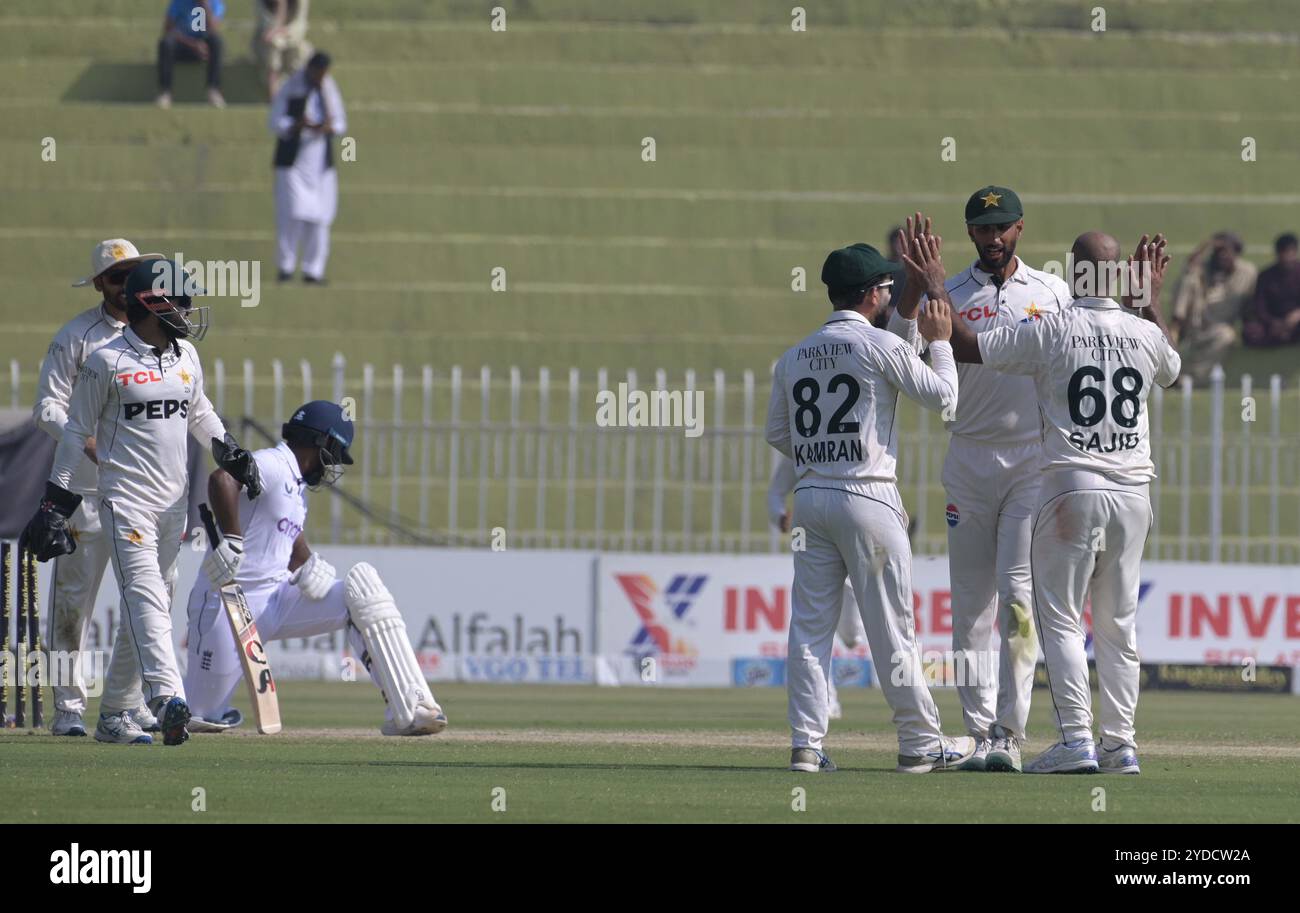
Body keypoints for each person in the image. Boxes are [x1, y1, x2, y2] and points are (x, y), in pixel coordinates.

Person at [927, 228, 1179, 775]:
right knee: (1119, 626)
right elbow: (1174, 370)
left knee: (1061, 619)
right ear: (1122, 277)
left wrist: (934, 292)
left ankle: (1076, 741)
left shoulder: (1052, 327)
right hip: (1134, 493)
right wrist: (1149, 299)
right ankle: (1121, 745)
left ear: (1074, 271)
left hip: (1070, 487)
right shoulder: (1142, 331)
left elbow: (969, 347)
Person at [23, 259, 262, 746]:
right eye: (181, 300)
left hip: (172, 504)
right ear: (151, 302)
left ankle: (113, 714)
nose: (189, 310)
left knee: (153, 602)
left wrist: (231, 451)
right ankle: (167, 699)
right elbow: (74, 434)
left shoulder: (187, 357)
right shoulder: (105, 361)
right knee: (145, 595)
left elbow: (201, 414)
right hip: (123, 499)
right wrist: (55, 503)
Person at [765, 241, 976, 774]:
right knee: (892, 629)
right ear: (870, 295)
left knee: (809, 629)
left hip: (811, 497)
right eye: (885, 289)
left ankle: (806, 745)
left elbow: (776, 434)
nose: (889, 296)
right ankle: (920, 743)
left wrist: (823, 455)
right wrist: (942, 341)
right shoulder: (877, 345)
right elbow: (946, 398)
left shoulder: (794, 355)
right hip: (869, 494)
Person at [887, 189, 1072, 773]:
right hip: (967, 457)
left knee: (1018, 595)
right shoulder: (953, 290)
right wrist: (916, 289)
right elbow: (898, 354)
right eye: (981, 229)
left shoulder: (1052, 292)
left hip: (1031, 461)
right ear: (969, 233)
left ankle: (1008, 733)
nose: (992, 239)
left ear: (1020, 227)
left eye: (1001, 228)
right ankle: (977, 731)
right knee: (970, 605)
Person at [184, 401, 448, 736]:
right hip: (229, 603)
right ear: (321, 443)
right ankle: (149, 697)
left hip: (278, 599)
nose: (333, 465)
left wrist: (306, 561)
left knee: (361, 590)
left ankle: (413, 708)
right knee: (202, 715)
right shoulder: (274, 464)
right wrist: (232, 540)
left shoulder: (298, 489)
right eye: (334, 454)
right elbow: (222, 478)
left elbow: (283, 532)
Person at [33, 240, 166, 737]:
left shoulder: (158, 333)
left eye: (132, 275)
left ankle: (129, 706)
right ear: (99, 285)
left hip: (140, 497)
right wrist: (88, 442)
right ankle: (68, 709)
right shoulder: (76, 336)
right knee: (72, 603)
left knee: (148, 601)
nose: (125, 284)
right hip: (87, 497)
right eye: (115, 277)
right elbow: (47, 408)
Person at [767, 453, 868, 723]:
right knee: (816, 626)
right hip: (815, 544)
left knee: (852, 637)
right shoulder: (801, 448)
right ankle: (825, 702)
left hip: (856, 541)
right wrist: (780, 518)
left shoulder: (856, 443)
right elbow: (775, 493)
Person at [270, 51, 346, 284]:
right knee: (291, 215)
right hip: (292, 162)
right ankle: (285, 268)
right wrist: (297, 125)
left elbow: (341, 122)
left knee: (320, 218)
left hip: (320, 163)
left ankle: (313, 271)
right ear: (309, 69)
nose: (319, 77)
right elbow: (274, 121)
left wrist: (326, 128)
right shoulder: (291, 85)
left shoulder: (328, 87)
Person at [1169, 231, 1256, 383]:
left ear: (1236, 253)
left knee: (1227, 336)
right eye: (1218, 252)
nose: (1222, 256)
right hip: (1191, 324)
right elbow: (1189, 268)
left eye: (1227, 251)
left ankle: (1186, 379)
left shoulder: (1247, 273)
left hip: (1217, 329)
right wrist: (1206, 245)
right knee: (1189, 279)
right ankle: (1174, 328)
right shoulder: (1202, 268)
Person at [157, 0, 226, 109]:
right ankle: (165, 92)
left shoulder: (216, 3)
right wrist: (193, 44)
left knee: (216, 42)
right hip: (183, 45)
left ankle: (213, 90)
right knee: (166, 43)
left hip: (204, 49)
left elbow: (213, 29)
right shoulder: (179, 2)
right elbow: (168, 29)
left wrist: (204, 5)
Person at [1242, 233, 1300, 348]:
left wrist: (1297, 314)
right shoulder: (1265, 276)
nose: (1287, 256)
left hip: (1296, 321)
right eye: (1284, 252)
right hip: (1273, 323)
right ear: (1277, 254)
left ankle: (1286, 337)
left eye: (1291, 252)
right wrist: (1274, 323)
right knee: (1251, 332)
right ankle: (1285, 337)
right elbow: (1259, 306)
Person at [252, 0, 313, 101]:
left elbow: (299, 26)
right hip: (266, 42)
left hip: (292, 40)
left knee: (300, 53)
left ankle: (298, 96)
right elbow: (264, 25)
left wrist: (280, 32)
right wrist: (280, 8)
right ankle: (274, 96)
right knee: (273, 46)